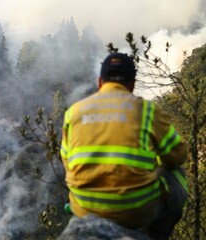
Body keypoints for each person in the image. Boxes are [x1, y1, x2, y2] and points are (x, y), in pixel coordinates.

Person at [60, 52, 188, 239]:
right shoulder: (146, 111)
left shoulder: (74, 112)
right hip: (136, 213)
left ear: (100, 82)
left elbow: (68, 164)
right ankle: (156, 234)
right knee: (176, 173)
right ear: (132, 84)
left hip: (85, 208)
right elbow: (177, 156)